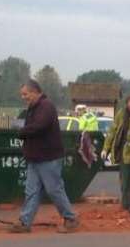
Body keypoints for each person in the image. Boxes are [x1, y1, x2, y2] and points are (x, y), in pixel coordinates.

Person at [10, 80, 79, 234]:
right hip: (36, 158)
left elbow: (39, 126)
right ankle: (25, 222)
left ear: (35, 92)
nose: (23, 97)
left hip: (49, 158)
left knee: (54, 189)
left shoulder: (46, 106)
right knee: (31, 191)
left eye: (25, 94)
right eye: (22, 94)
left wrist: (22, 131)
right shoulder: (34, 108)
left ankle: (70, 218)